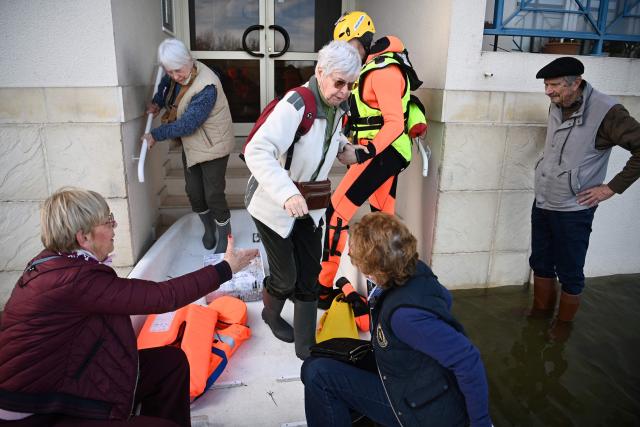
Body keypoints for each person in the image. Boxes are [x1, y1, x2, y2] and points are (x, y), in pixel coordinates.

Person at [0, 187, 257, 427]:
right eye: (107, 221)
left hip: (66, 382)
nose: (115, 226)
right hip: (39, 410)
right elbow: (162, 297)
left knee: (169, 362)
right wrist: (225, 269)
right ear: (84, 237)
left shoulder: (55, 264)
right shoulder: (74, 280)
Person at [301, 212, 492, 427]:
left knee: (318, 375)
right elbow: (444, 298)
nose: (351, 252)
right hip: (407, 376)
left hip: (417, 409)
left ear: (374, 268)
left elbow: (468, 359)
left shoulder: (405, 317)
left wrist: (481, 423)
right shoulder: (415, 268)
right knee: (317, 362)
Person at [244, 40, 361, 359]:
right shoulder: (297, 104)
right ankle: (270, 313)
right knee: (286, 277)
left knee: (310, 274)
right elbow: (256, 150)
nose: (345, 90)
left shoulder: (337, 106)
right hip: (272, 205)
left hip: (311, 205)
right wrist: (287, 192)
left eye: (351, 85)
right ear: (320, 72)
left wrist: (343, 149)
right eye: (339, 83)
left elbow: (326, 138)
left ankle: (306, 348)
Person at [317, 11, 426, 309]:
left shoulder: (383, 72)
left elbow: (393, 123)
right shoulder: (366, 68)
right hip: (379, 151)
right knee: (383, 218)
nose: (343, 54)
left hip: (383, 152)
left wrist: (364, 152)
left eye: (347, 46)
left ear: (363, 41)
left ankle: (322, 288)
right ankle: (389, 285)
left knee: (336, 213)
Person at [529, 57, 640, 328]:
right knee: (540, 262)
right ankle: (539, 317)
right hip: (544, 200)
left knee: (570, 271)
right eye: (546, 85)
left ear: (576, 83)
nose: (548, 91)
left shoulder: (608, 112)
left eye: (554, 85)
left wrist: (611, 188)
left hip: (574, 208)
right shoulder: (558, 103)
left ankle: (562, 329)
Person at [143, 38, 234, 253]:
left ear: (189, 60)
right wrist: (157, 101)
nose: (175, 76)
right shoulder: (175, 75)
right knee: (194, 192)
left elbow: (187, 124)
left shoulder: (207, 86)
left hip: (214, 146)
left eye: (177, 71)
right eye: (170, 71)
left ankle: (225, 236)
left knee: (213, 194)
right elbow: (166, 84)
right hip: (193, 145)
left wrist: (156, 134)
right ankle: (208, 227)